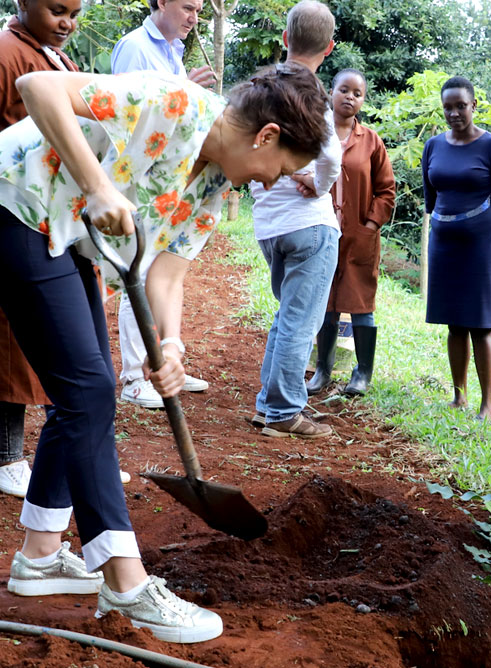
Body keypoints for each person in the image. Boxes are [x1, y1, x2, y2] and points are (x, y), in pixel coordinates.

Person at [0, 62, 329, 642]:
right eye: (280, 171)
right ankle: (126, 585)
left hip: (65, 234)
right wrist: (98, 186)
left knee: (89, 388)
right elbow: (37, 88)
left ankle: (41, 555)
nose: (274, 183)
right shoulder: (175, 104)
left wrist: (170, 346)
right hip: (16, 204)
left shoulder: (215, 182)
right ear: (267, 136)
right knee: (89, 392)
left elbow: (167, 276)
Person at [110, 0, 216, 409]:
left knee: (164, 272)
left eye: (199, 9)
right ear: (160, 2)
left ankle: (162, 361)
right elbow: (125, 115)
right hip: (140, 181)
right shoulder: (136, 47)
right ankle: (136, 375)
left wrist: (186, 88)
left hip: (171, 179)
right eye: (187, 7)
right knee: (136, 270)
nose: (194, 16)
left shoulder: (172, 51)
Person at [0, 0, 81, 498]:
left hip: (55, 220)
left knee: (51, 346)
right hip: (15, 217)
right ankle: (8, 456)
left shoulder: (53, 56)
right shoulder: (7, 53)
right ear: (22, 2)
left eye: (74, 13)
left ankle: (69, 456)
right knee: (10, 346)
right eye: (56, 9)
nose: (67, 23)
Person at [249, 1, 340, 439]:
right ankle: (285, 411)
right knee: (301, 320)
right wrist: (318, 187)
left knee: (288, 314)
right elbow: (332, 158)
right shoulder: (311, 93)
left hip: (269, 223)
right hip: (308, 223)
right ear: (330, 46)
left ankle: (269, 405)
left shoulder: (260, 88)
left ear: (285, 39)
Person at [421, 76, 491, 419]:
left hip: (483, 247)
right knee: (454, 324)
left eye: (461, 105)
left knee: (481, 324)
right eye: (448, 107)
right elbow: (431, 198)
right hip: (444, 243)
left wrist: (490, 230)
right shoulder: (433, 146)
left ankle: (486, 405)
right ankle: (458, 396)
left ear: (474, 105)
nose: (454, 113)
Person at [305, 68, 395, 397]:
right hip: (320, 231)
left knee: (360, 304)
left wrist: (370, 225)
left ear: (363, 101)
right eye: (344, 90)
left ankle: (362, 374)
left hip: (360, 237)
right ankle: (323, 370)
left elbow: (387, 190)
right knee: (326, 303)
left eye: (357, 93)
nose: (350, 97)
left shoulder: (371, 141)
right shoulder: (315, 132)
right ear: (332, 92)